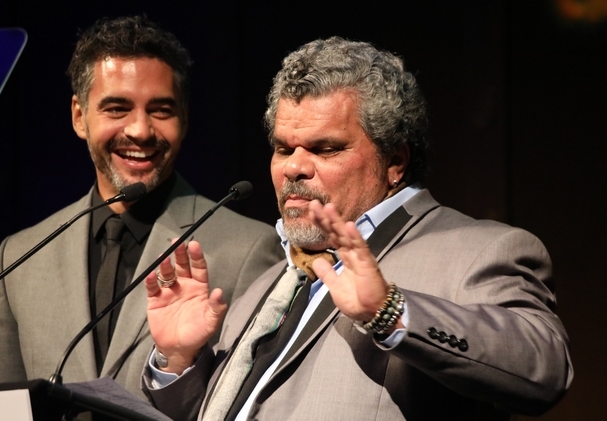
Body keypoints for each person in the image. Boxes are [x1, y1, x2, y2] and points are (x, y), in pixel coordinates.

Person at [141, 37, 573, 421]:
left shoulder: (480, 250)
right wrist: (179, 360)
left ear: (395, 161)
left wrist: (390, 311)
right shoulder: (266, 286)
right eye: (283, 149)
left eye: (325, 148)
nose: (294, 167)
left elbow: (545, 369)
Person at [0, 16, 284, 401]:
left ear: (184, 117)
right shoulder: (20, 256)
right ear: (79, 117)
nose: (140, 130)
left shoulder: (249, 250)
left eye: (161, 110)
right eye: (117, 108)